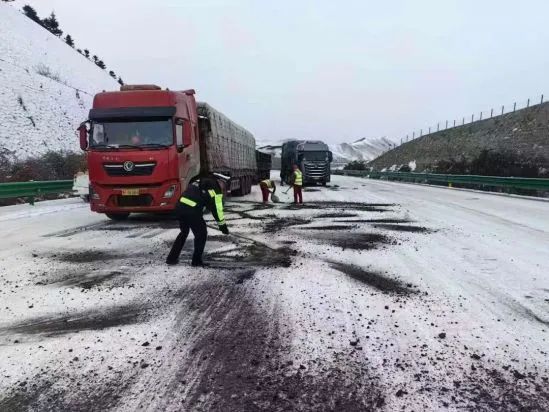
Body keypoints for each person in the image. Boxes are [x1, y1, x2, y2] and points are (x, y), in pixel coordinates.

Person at [166, 173, 230, 266]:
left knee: (184, 233)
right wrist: (223, 227)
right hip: (192, 211)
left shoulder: (200, 180)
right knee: (201, 234)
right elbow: (217, 210)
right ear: (220, 181)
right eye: (224, 185)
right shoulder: (215, 188)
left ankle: (171, 258)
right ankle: (196, 261)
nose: (223, 188)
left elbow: (202, 197)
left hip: (180, 207)